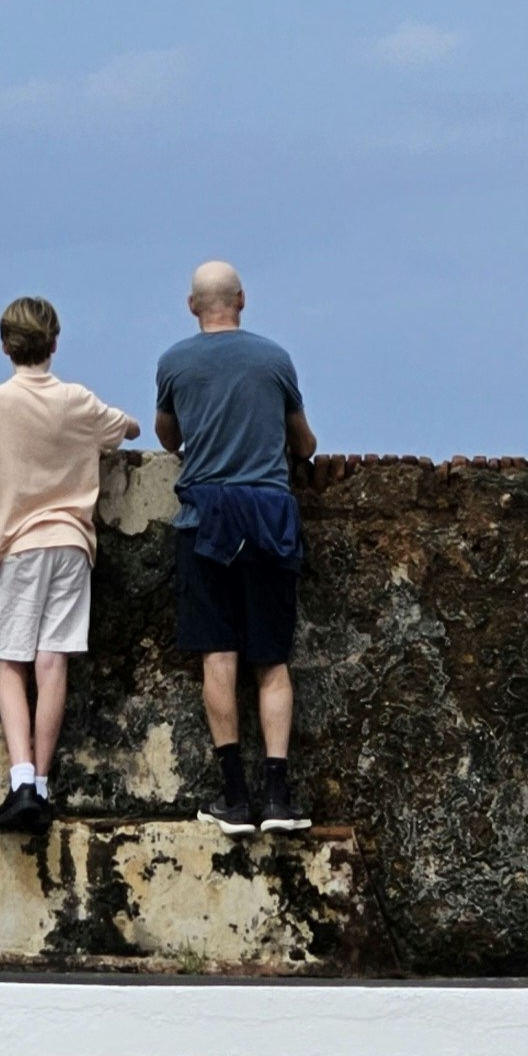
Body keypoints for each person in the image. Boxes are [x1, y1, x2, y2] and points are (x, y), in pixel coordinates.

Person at [0, 296, 141, 834]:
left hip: (19, 545)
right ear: (54, 343)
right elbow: (127, 430)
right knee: (54, 661)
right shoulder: (76, 400)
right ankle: (46, 785)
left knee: (12, 660)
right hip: (72, 543)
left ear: (6, 346)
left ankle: (22, 781)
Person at [154, 260, 318, 836]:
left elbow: (167, 435)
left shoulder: (174, 362)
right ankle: (278, 795)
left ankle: (232, 796)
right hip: (270, 513)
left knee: (217, 656)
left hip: (207, 519)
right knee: (271, 659)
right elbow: (303, 442)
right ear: (242, 300)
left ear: (192, 305)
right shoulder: (275, 359)